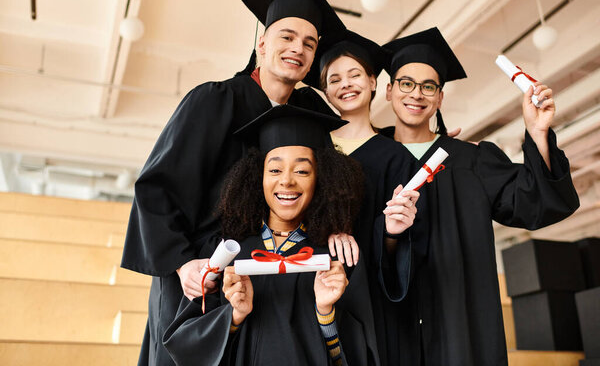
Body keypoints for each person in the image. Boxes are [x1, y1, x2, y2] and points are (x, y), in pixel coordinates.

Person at [120, 0, 349, 366]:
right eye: (287, 37)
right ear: (262, 44)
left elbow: (327, 188)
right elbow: (159, 188)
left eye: (309, 44)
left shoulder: (309, 115)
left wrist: (337, 226)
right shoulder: (215, 101)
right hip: (204, 275)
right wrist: (181, 262)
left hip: (276, 279)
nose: (298, 49)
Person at [381, 27, 580, 366]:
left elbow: (532, 202)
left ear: (440, 97)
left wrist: (536, 131)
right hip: (392, 327)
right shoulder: (369, 161)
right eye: (406, 83)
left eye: (429, 86)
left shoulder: (471, 160)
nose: (417, 94)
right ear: (389, 90)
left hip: (462, 328)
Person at [163, 105, 380, 366]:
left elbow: (358, 358)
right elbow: (185, 348)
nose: (286, 181)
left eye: (302, 171)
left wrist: (326, 313)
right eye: (275, 170)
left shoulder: (336, 260)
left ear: (321, 180)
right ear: (258, 178)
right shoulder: (226, 254)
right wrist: (233, 317)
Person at [304, 29, 424, 365]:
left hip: (371, 291)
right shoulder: (311, 151)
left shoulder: (396, 157)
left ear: (373, 82)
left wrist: (390, 231)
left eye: (355, 75)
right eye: (334, 79)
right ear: (325, 91)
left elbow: (402, 247)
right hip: (312, 281)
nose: (346, 84)